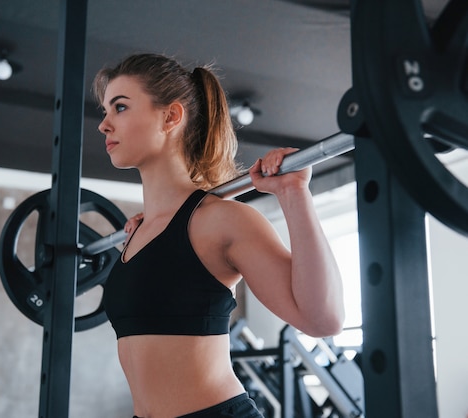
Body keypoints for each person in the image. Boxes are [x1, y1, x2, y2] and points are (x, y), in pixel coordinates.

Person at [94, 53, 345, 418]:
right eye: (104, 110)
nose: (103, 124)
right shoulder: (140, 231)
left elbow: (323, 320)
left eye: (119, 107)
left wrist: (293, 195)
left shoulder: (221, 221)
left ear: (171, 116)